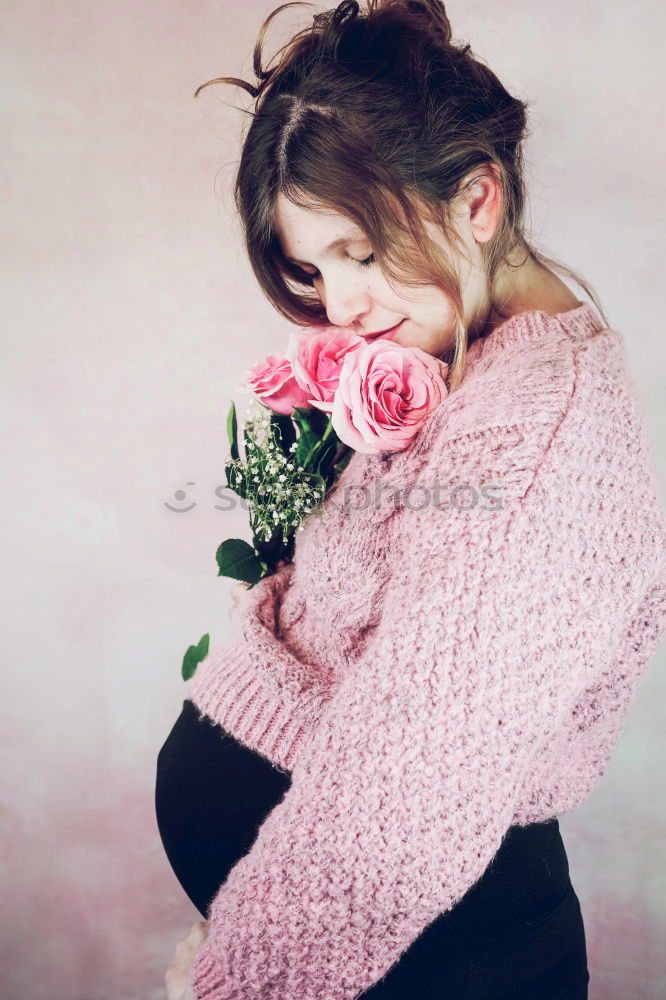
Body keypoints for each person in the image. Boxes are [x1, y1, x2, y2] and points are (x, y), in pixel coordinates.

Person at [155, 3, 666, 998]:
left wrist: (228, 987)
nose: (339, 306)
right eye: (313, 266)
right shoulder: (482, 359)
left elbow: (405, 795)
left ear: (477, 199)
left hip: (439, 956)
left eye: (357, 251)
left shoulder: (546, 434)